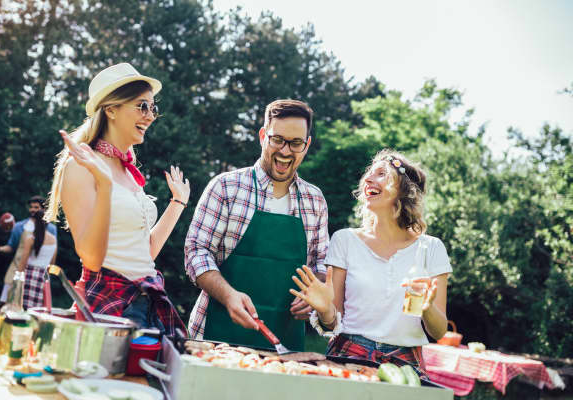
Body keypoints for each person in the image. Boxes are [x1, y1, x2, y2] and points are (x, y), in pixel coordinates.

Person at [45, 63, 189, 335]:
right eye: (142, 106)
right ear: (111, 109)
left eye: (152, 108)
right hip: (110, 304)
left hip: (147, 300)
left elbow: (143, 253)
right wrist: (104, 184)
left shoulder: (129, 172)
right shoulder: (80, 166)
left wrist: (177, 204)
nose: (150, 116)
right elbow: (91, 258)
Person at [185, 99, 329, 351]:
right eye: (277, 139)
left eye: (295, 143)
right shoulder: (226, 187)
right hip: (214, 337)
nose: (285, 151)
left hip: (284, 345)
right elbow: (196, 252)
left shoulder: (314, 200)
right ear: (263, 136)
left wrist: (313, 297)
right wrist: (229, 296)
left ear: (306, 145)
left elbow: (320, 265)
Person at [290, 149, 451, 369]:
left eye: (381, 174)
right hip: (349, 354)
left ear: (404, 190)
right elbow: (333, 323)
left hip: (406, 362)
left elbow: (439, 331)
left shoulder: (431, 248)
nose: (368, 179)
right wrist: (325, 309)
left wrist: (427, 307)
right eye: (369, 174)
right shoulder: (344, 240)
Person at [0, 196, 58, 332]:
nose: (33, 209)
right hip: (17, 270)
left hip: (28, 273)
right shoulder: (20, 226)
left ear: (43, 210)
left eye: (36, 207)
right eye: (31, 207)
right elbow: (11, 246)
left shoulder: (52, 230)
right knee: (4, 305)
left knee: (23, 310)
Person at [16, 210, 57, 309]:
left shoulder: (31, 239)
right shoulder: (54, 239)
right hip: (44, 277)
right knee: (39, 310)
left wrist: (17, 280)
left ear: (34, 221)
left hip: (30, 275)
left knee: (25, 309)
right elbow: (52, 263)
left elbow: (23, 262)